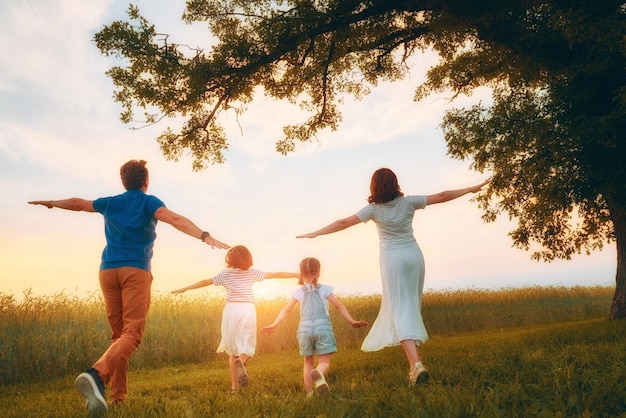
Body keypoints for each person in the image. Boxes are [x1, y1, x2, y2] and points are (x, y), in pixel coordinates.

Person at [28, 159, 230, 415]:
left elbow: (78, 204)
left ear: (123, 181)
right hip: (134, 271)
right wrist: (204, 235)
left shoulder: (110, 202)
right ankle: (96, 374)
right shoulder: (148, 202)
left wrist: (53, 203)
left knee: (118, 337)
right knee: (132, 335)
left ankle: (117, 398)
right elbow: (174, 219)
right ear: (146, 181)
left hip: (108, 271)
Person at [297, 168, 488, 386]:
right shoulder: (408, 202)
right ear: (395, 183)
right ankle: (413, 367)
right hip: (414, 257)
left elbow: (342, 223)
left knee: (400, 311)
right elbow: (443, 196)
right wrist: (470, 189)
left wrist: (315, 233)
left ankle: (416, 365)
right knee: (409, 307)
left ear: (374, 187)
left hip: (392, 261)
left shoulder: (373, 210)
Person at [171, 245, 300, 395]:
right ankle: (243, 361)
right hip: (247, 309)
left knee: (232, 351)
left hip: (230, 310)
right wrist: (296, 274)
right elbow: (276, 274)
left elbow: (206, 281)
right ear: (248, 259)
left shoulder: (225, 275)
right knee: (248, 346)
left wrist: (185, 288)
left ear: (229, 260)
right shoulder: (252, 273)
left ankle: (234, 388)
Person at [260, 257, 368, 396]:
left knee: (308, 362)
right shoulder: (325, 289)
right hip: (322, 327)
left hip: (304, 330)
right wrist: (351, 320)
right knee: (324, 361)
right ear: (318, 272)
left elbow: (287, 309)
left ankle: (309, 392)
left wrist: (275, 324)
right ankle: (320, 373)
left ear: (301, 272)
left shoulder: (299, 291)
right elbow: (338, 305)